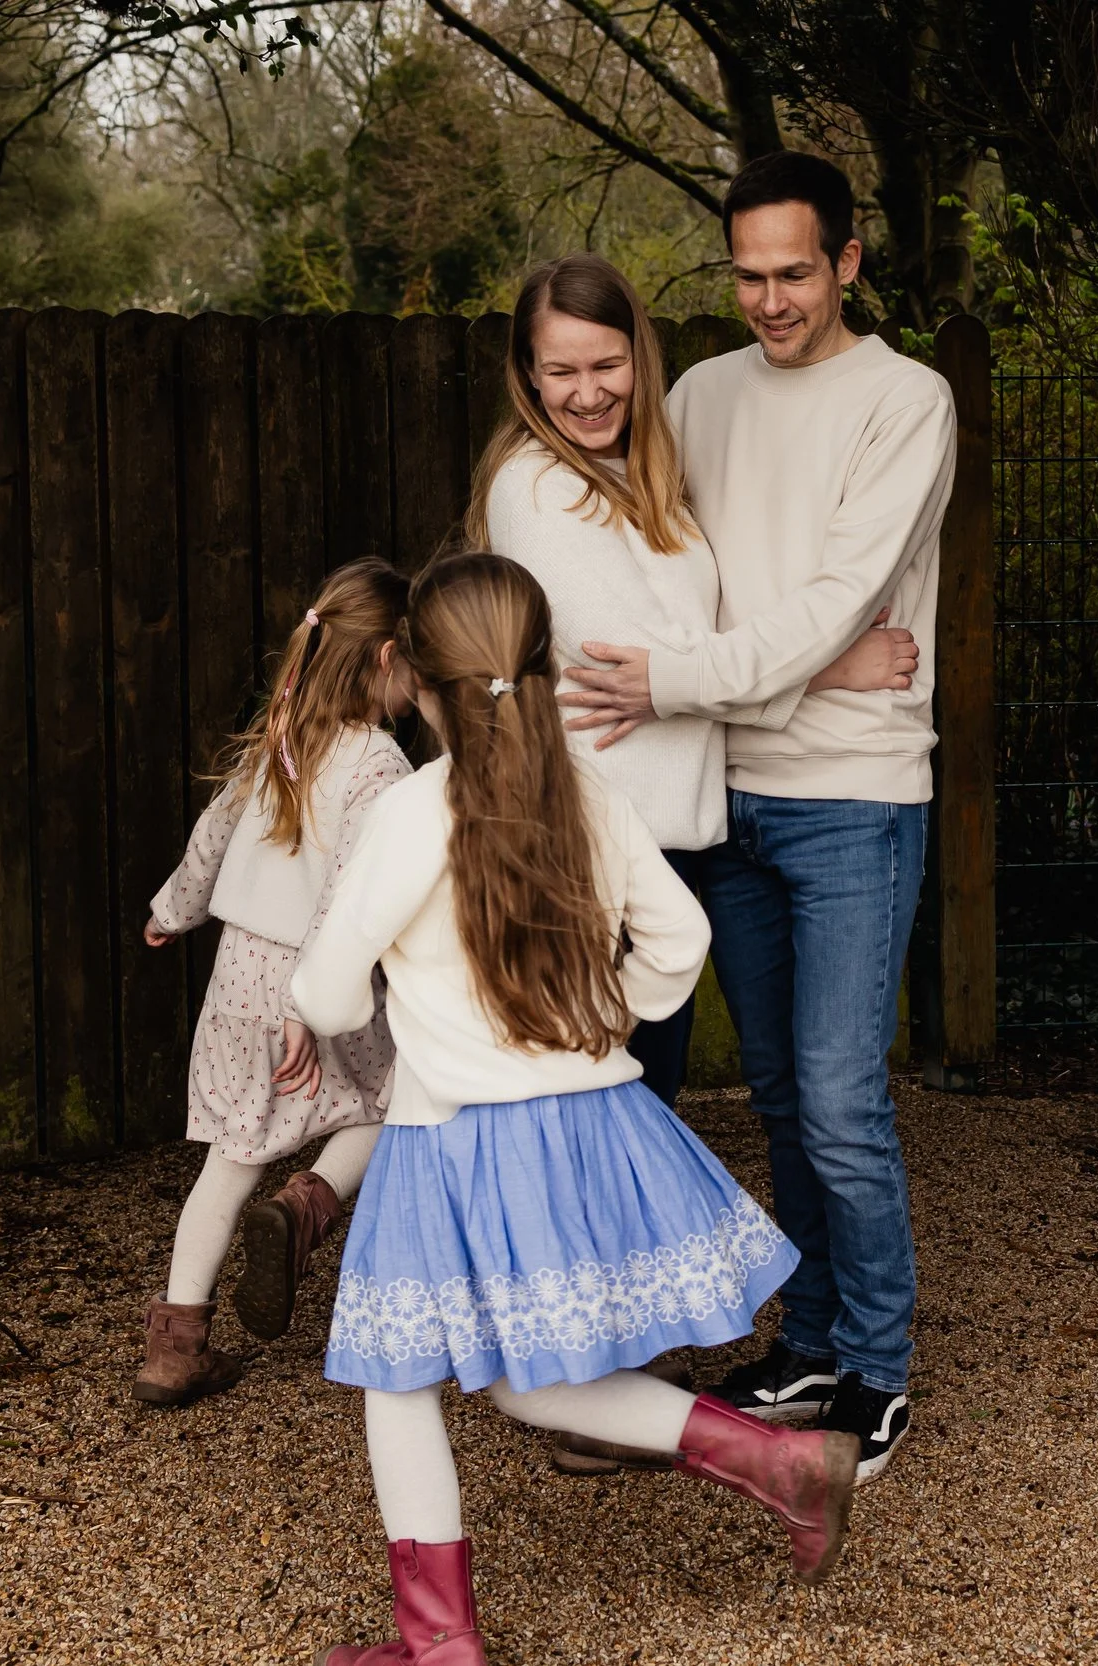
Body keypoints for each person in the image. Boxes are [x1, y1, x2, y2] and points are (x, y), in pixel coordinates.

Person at [292, 553, 862, 1666]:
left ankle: (440, 1644)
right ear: (541, 668)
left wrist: (391, 997)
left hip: (451, 1137)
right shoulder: (587, 793)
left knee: (399, 1379)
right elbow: (681, 941)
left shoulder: (414, 814)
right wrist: (613, 1014)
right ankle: (778, 1463)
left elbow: (320, 990)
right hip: (586, 1122)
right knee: (517, 1379)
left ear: (408, 676)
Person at [559, 151, 956, 1484]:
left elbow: (831, 596)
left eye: (797, 272)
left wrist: (704, 674)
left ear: (848, 263)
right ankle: (813, 1340)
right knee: (781, 1095)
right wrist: (810, 660)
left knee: (843, 1097)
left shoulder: (909, 401)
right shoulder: (697, 394)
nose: (772, 300)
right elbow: (679, 579)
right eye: (748, 274)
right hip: (728, 796)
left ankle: (880, 1373)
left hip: (854, 798)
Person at [466, 251, 917, 1109]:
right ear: (527, 374)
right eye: (560, 370)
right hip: (591, 851)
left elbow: (680, 660)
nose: (588, 392)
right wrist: (825, 668)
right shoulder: (535, 486)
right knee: (607, 1110)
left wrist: (702, 665)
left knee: (644, 1102)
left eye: (607, 365)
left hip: (659, 844)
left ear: (640, 357)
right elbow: (635, 663)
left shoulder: (638, 476)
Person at [133, 560, 414, 1406]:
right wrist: (308, 1000)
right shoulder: (382, 767)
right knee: (390, 1104)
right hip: (314, 980)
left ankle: (173, 1347)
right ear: (388, 658)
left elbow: (213, 831)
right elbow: (347, 895)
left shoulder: (280, 733)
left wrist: (172, 909)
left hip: (236, 978)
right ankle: (306, 1208)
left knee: (229, 1160)